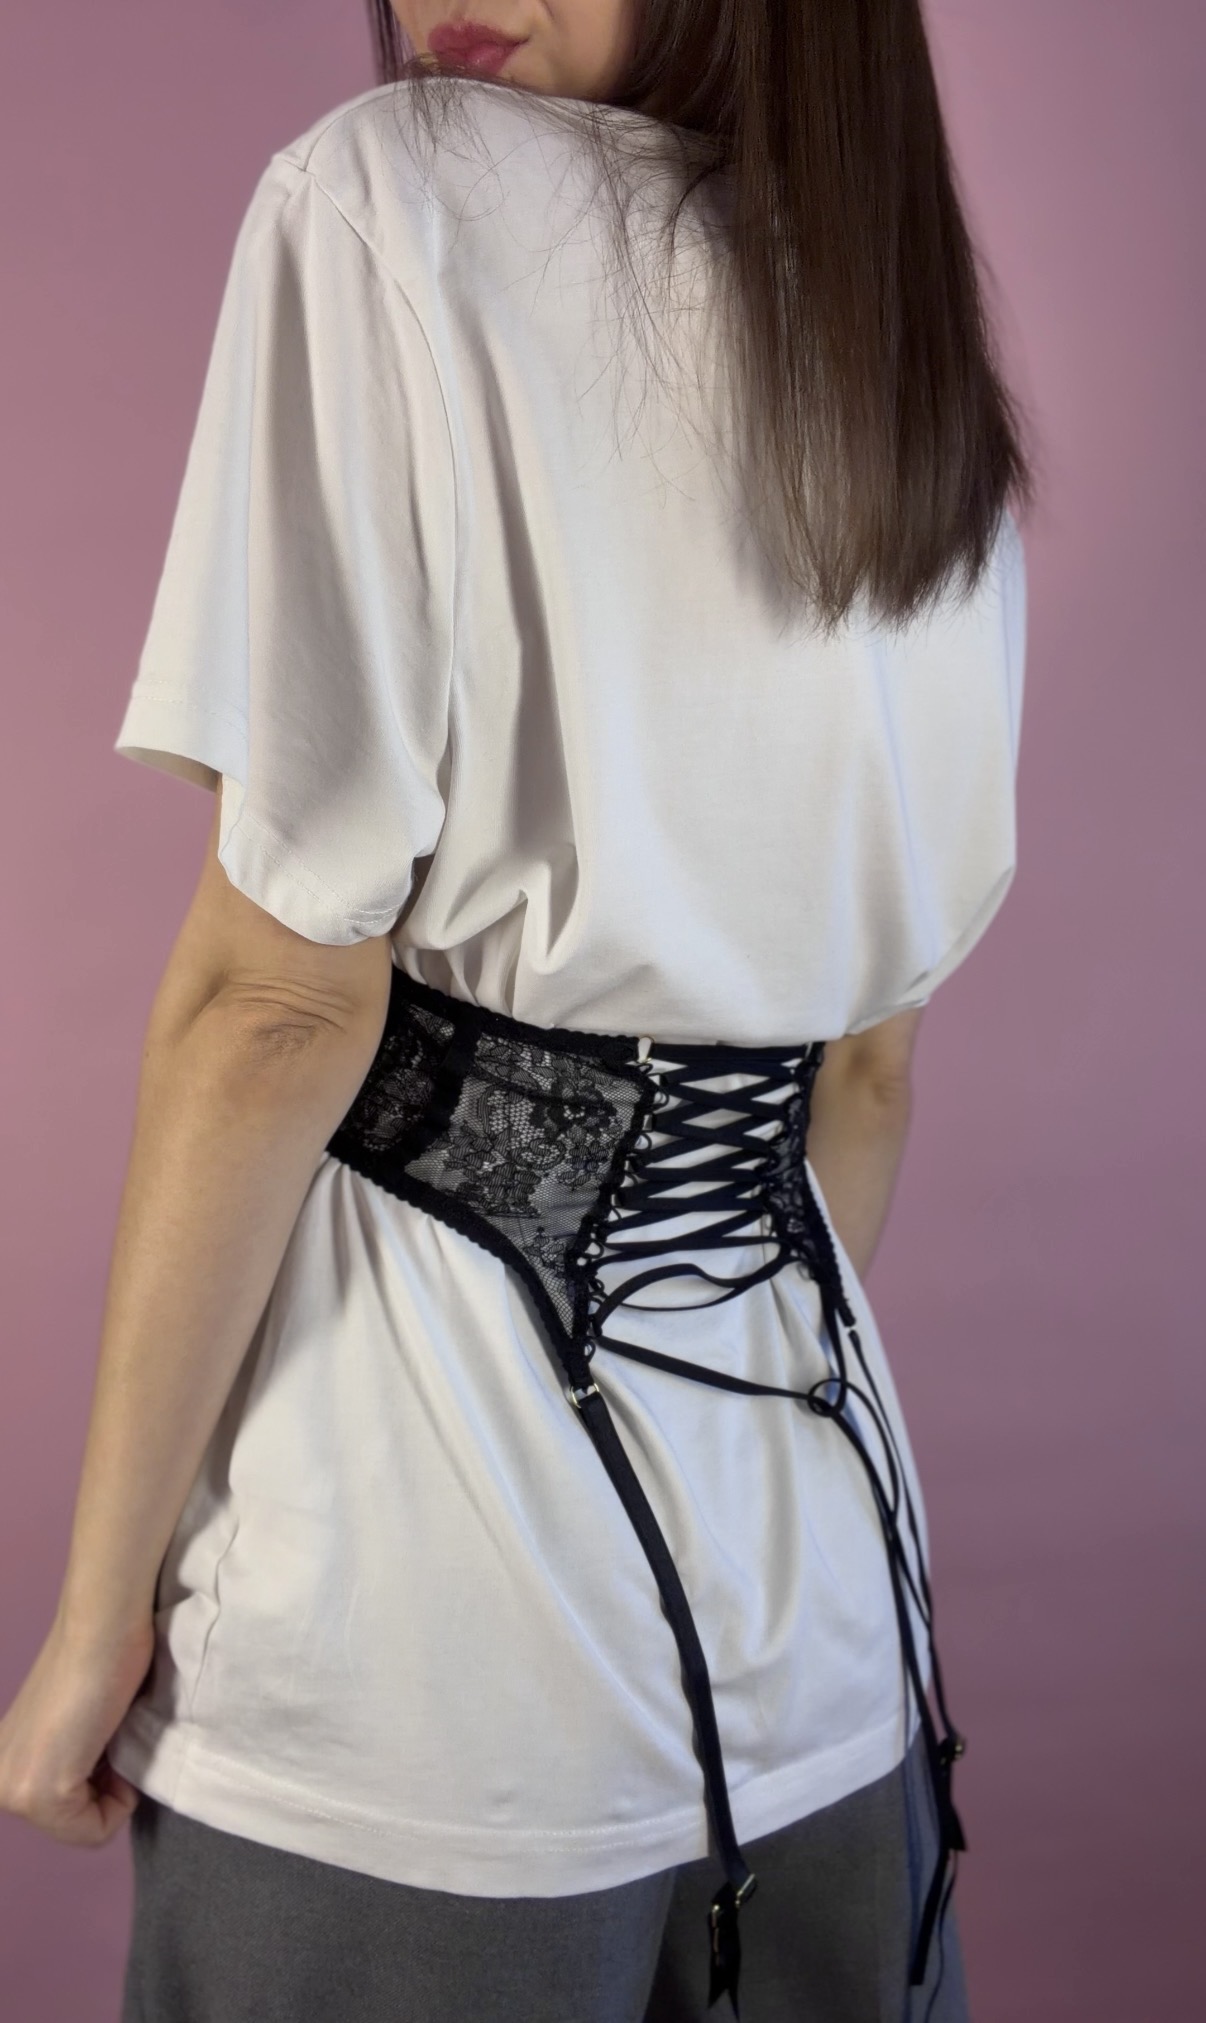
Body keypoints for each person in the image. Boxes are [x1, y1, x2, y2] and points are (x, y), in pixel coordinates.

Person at [0, 3, 1030, 2019]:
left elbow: (271, 1008)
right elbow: (866, 1070)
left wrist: (92, 1621)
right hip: (831, 1622)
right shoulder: (912, 358)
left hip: (422, 1658)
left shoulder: (389, 197)